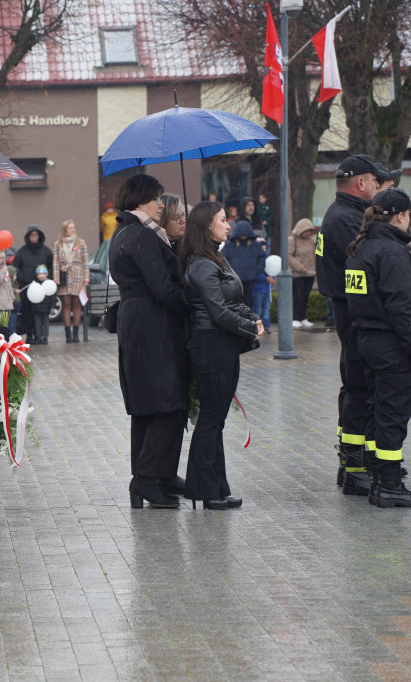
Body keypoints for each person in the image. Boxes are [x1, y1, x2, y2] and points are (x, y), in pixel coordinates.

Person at [344, 189, 411, 507]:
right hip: (393, 346)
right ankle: (390, 486)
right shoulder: (391, 252)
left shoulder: (360, 248)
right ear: (399, 216)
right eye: (409, 214)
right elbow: (402, 308)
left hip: (369, 341)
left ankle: (379, 481)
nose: (410, 218)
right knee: (393, 416)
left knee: (378, 412)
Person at [109, 176, 189, 509]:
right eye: (157, 199)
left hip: (140, 322)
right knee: (166, 403)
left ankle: (160, 474)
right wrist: (193, 306)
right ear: (142, 200)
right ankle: (145, 479)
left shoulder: (125, 232)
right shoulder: (141, 236)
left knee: (147, 407)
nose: (161, 205)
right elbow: (163, 288)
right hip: (151, 325)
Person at [178, 202, 262, 510]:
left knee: (216, 419)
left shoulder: (216, 258)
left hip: (223, 344)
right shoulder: (201, 263)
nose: (228, 225)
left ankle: (216, 487)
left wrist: (253, 318)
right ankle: (205, 489)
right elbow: (216, 311)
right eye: (222, 220)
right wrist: (249, 327)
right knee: (212, 419)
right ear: (206, 226)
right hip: (211, 345)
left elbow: (234, 300)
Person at [316, 154, 381, 495]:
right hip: (355, 312)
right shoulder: (347, 218)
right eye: (374, 181)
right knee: (359, 388)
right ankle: (355, 468)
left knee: (357, 387)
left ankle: (354, 464)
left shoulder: (341, 213)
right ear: (360, 183)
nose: (377, 187)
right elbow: (364, 268)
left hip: (349, 311)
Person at [12, 226, 52, 344]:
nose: (34, 237)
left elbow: (51, 266)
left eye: (36, 235)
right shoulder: (22, 251)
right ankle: (29, 335)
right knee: (27, 313)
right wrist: (21, 277)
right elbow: (15, 267)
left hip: (42, 289)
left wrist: (46, 279)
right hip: (26, 288)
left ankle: (40, 336)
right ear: (28, 237)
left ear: (39, 236)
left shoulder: (46, 251)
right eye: (31, 235)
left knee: (41, 314)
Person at [53, 220, 89, 343]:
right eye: (70, 228)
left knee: (77, 305)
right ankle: (68, 333)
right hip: (64, 276)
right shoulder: (58, 244)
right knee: (66, 305)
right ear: (64, 230)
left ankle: (76, 333)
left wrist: (86, 278)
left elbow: (85, 262)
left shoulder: (81, 243)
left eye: (74, 228)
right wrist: (56, 278)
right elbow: (55, 263)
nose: (73, 230)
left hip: (77, 275)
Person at [222, 219, 264, 305]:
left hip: (250, 280)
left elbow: (262, 258)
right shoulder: (230, 245)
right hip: (234, 281)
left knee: (248, 303)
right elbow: (223, 259)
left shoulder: (255, 245)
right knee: (236, 304)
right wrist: (229, 273)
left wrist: (256, 270)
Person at [288, 219, 317, 328]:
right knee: (297, 296)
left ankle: (302, 317)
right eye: (307, 231)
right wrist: (300, 267)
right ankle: (295, 318)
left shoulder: (310, 241)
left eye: (310, 231)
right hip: (298, 274)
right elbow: (288, 256)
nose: (309, 233)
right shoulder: (292, 240)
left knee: (305, 296)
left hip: (310, 273)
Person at [30, 265, 52, 344]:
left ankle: (45, 337)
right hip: (36, 308)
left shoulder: (49, 284)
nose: (41, 276)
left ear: (46, 274)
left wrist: (51, 306)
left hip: (46, 308)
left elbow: (52, 296)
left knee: (45, 323)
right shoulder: (35, 284)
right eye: (39, 274)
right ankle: (38, 337)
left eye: (43, 273)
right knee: (37, 324)